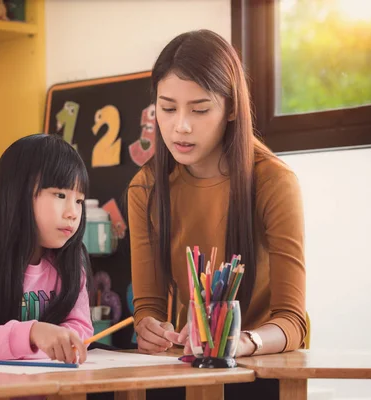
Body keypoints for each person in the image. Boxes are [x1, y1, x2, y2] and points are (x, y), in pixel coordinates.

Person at [127, 29, 307, 398]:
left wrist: (241, 343)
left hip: (261, 369)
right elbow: (149, 307)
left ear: (231, 109)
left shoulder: (274, 181)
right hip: (185, 368)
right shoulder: (145, 189)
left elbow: (292, 321)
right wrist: (149, 328)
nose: (181, 125)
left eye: (200, 109)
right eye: (167, 107)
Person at [0, 133, 93, 364]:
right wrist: (31, 334)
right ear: (18, 194)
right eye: (60, 195)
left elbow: (80, 330)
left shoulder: (71, 263)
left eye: (79, 201)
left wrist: (61, 342)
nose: (73, 212)